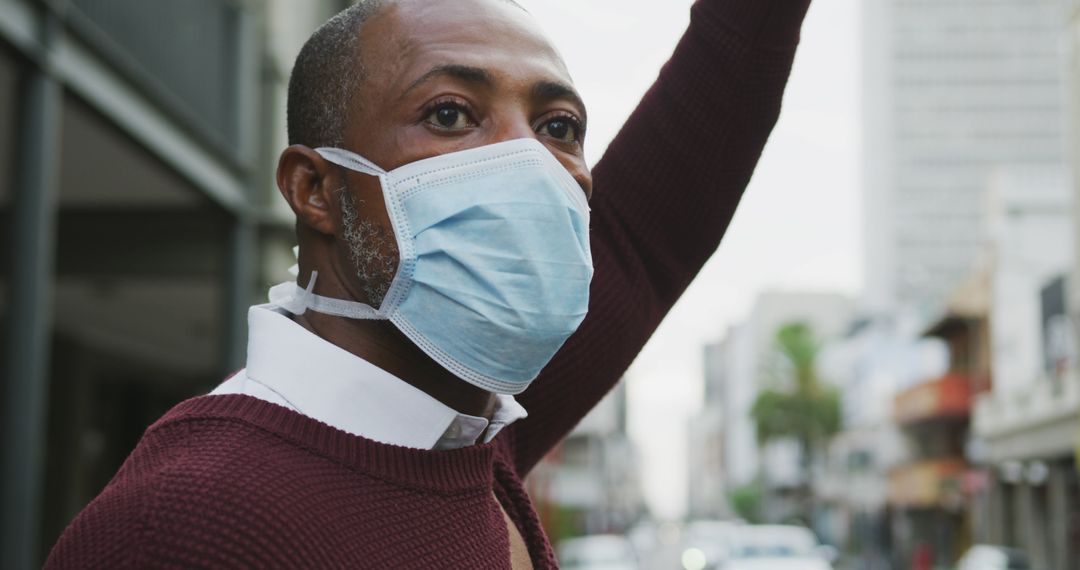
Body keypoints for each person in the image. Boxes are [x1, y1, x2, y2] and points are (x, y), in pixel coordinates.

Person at [45, 0, 812, 567]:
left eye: (557, 127)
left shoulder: (470, 433)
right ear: (316, 190)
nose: (531, 164)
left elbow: (657, 226)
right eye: (450, 114)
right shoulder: (186, 525)